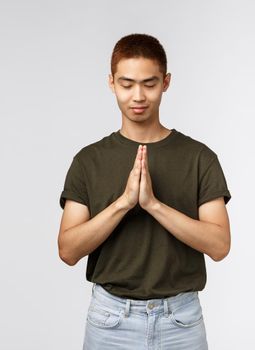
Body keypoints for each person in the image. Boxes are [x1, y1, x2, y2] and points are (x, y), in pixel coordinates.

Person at [58, 33, 232, 350]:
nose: (138, 95)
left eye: (149, 84)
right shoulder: (89, 160)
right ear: (111, 82)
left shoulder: (198, 157)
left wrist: (154, 205)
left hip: (181, 321)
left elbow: (220, 245)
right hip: (111, 320)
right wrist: (123, 204)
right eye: (127, 84)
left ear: (166, 82)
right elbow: (68, 250)